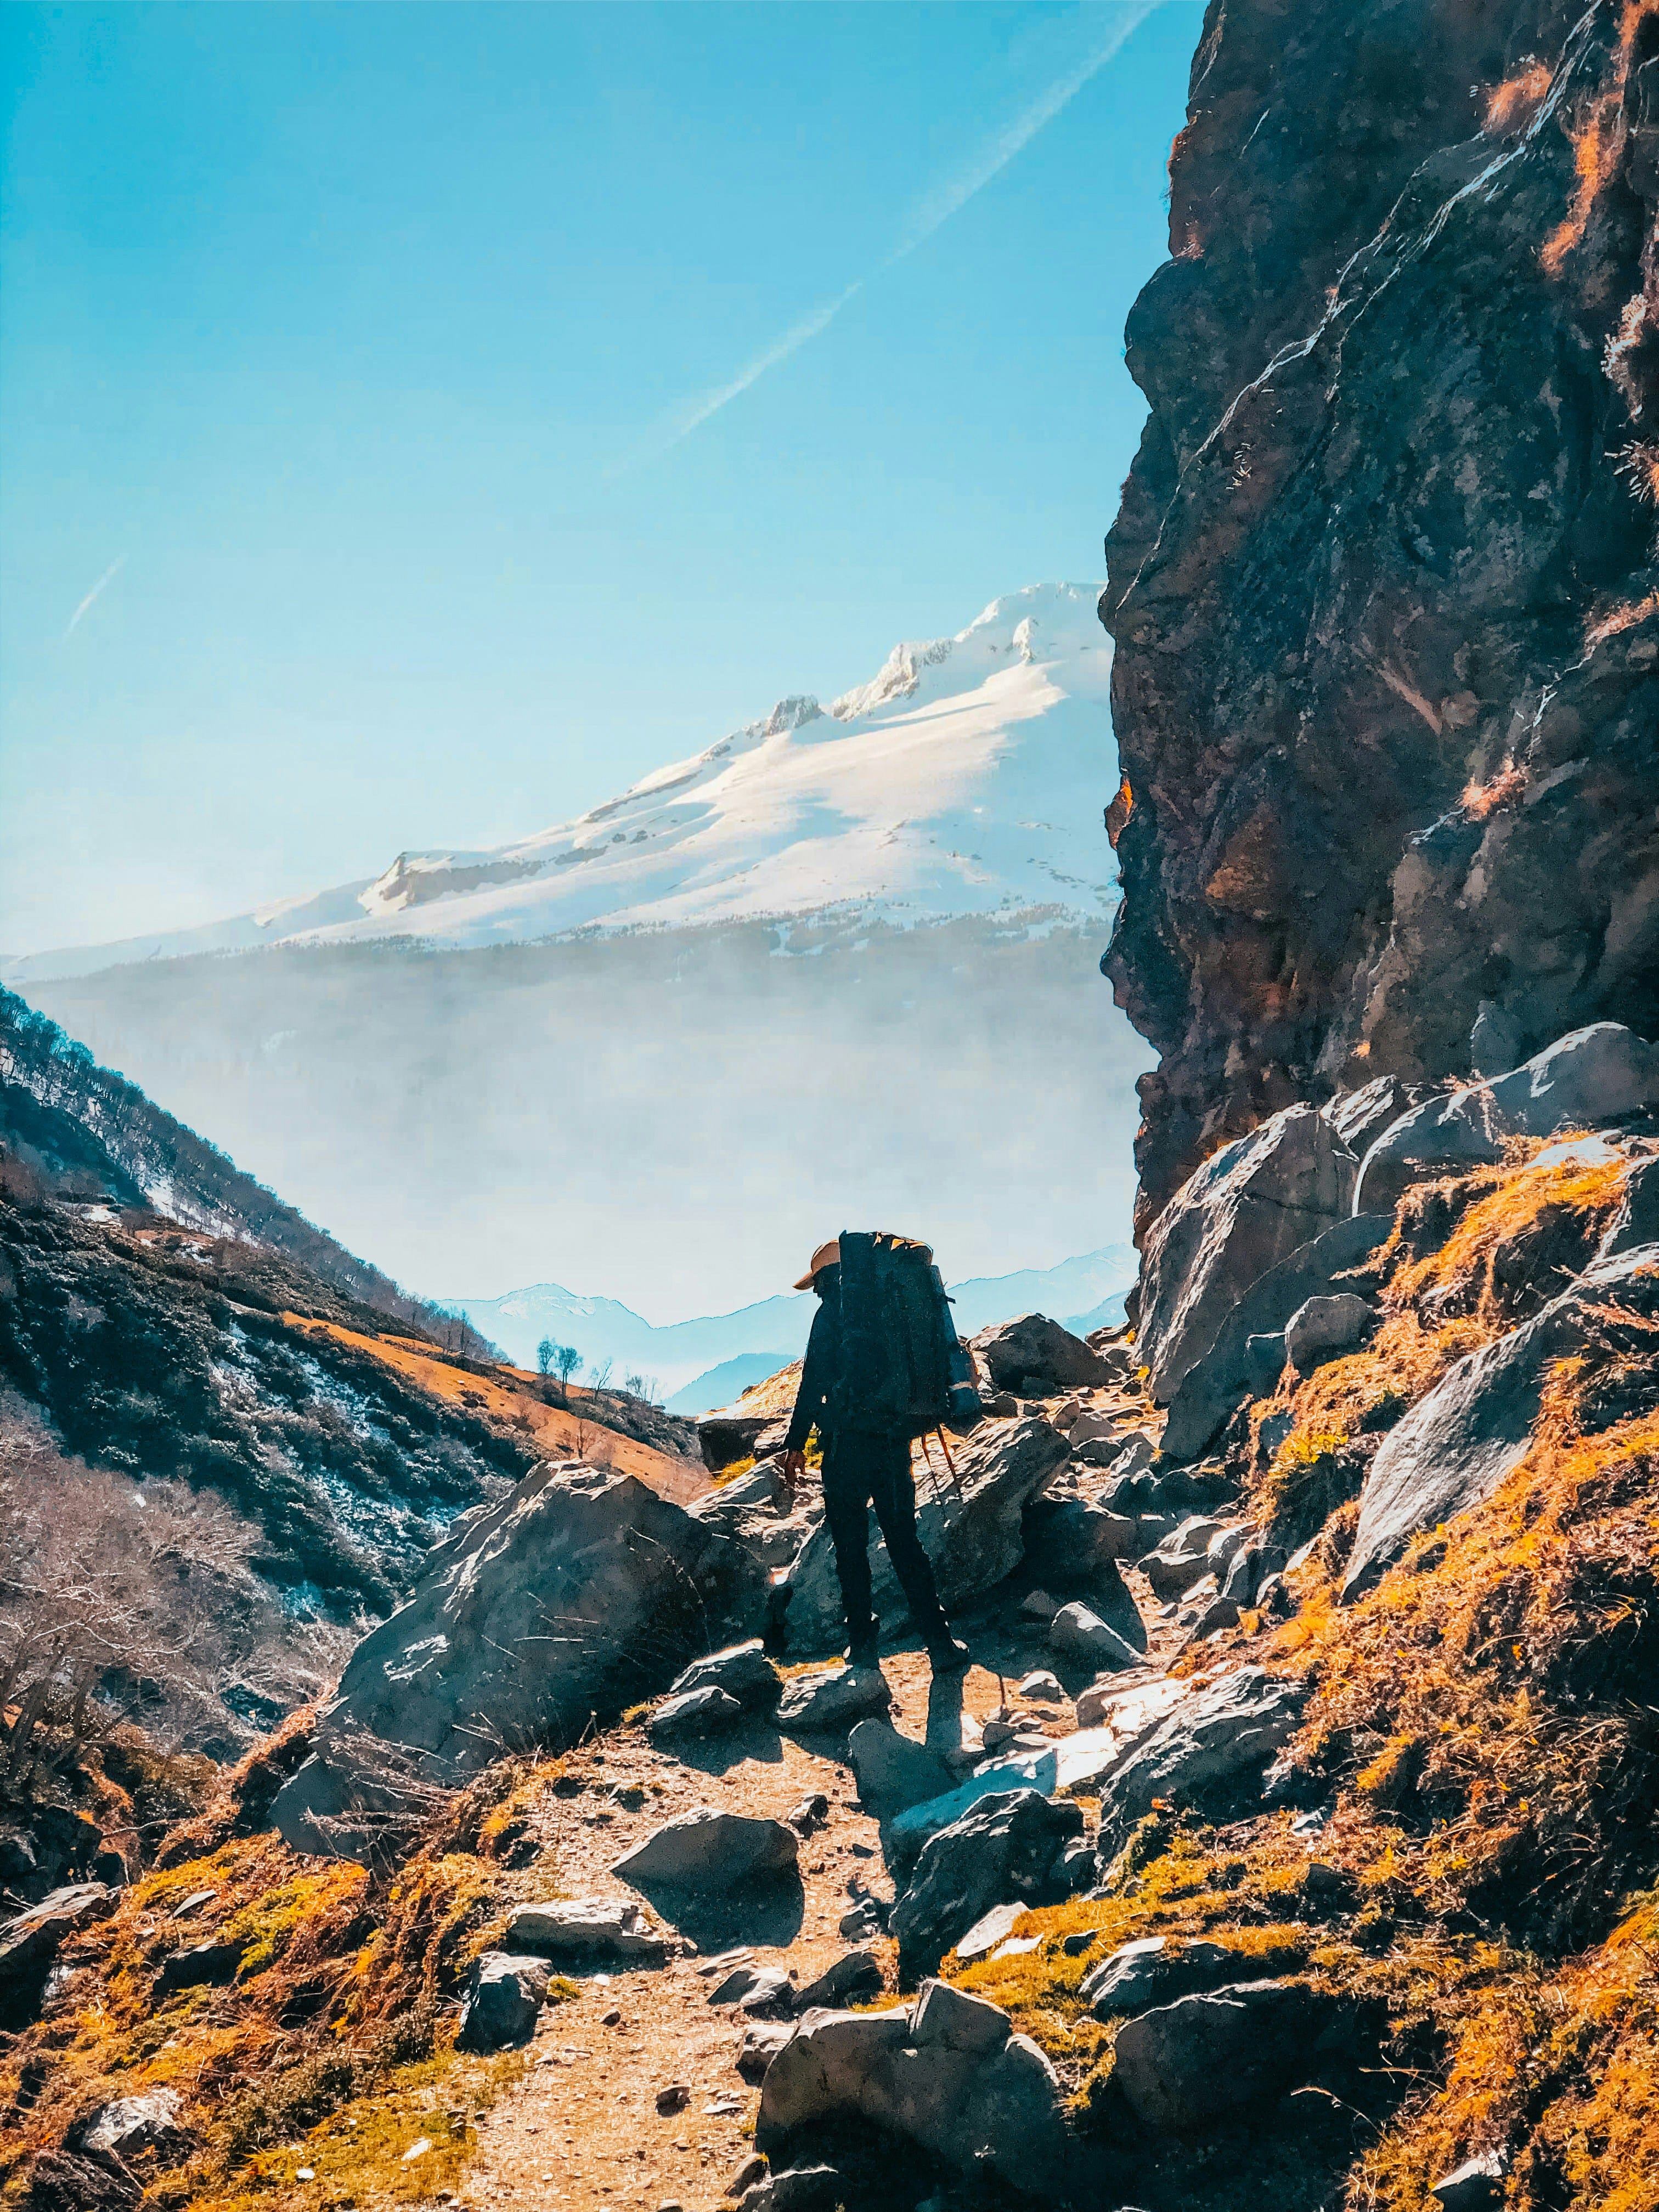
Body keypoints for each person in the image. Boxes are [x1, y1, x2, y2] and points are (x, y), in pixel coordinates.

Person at [779, 1238, 971, 1674]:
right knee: (905, 1542)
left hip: (845, 1447)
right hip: (892, 1443)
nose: (814, 1292)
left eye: (816, 1283)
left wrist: (795, 1441)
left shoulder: (830, 1316)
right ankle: (940, 1644)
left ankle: (862, 1646)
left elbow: (813, 1382)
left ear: (827, 1278)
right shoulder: (892, 1306)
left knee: (851, 1548)